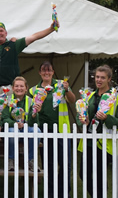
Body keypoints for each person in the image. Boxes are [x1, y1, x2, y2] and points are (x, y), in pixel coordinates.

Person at [77, 65, 118, 198]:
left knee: (99, 176)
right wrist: (82, 119)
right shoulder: (89, 96)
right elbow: (80, 116)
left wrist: (106, 118)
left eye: (102, 78)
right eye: (97, 77)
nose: (99, 80)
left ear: (109, 79)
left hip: (104, 143)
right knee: (83, 174)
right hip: (88, 142)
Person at [28, 61, 75, 197]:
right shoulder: (33, 90)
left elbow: (72, 100)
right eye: (43, 70)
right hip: (44, 131)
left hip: (62, 130)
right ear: (39, 73)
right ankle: (50, 192)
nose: (46, 73)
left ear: (53, 72)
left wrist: (67, 89)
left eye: (49, 70)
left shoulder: (61, 85)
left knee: (65, 163)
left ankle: (64, 191)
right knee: (48, 164)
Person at [0, 21, 57, 94]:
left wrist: (51, 29)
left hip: (10, 88)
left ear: (6, 33)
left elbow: (34, 37)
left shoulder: (14, 45)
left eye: (1, 31)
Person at [0, 76, 42, 171]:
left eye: (22, 86)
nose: (19, 88)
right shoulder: (7, 100)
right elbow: (5, 118)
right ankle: (11, 160)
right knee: (11, 132)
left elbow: (34, 122)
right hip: (12, 128)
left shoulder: (31, 101)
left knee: (37, 131)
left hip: (26, 128)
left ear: (26, 88)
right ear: (13, 88)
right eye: (17, 86)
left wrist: (35, 114)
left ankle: (30, 160)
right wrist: (15, 124)